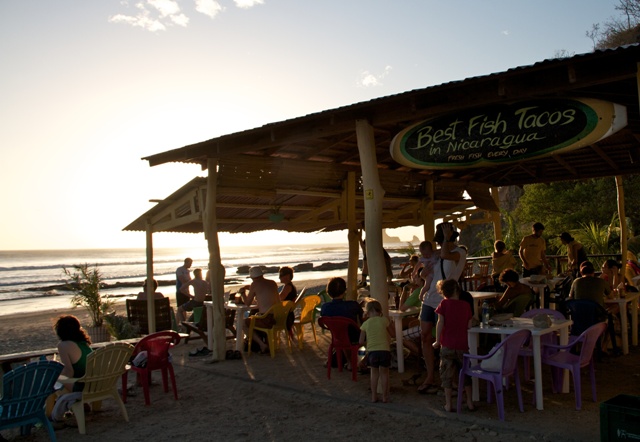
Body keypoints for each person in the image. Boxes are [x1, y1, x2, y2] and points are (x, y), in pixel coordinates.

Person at [418, 222, 467, 394]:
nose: (439, 244)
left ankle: (450, 379)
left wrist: (447, 239)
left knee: (448, 339)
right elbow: (426, 271)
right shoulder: (439, 252)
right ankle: (431, 375)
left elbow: (446, 254)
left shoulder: (459, 252)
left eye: (442, 239)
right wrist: (423, 275)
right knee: (425, 335)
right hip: (429, 298)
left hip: (448, 299)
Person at [432, 279, 475, 413]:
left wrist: (437, 340)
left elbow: (440, 323)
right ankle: (469, 402)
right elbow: (469, 325)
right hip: (462, 345)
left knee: (447, 375)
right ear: (457, 290)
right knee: (466, 374)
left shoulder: (444, 304)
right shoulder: (466, 305)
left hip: (447, 344)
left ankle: (449, 404)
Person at [50, 316, 93, 423]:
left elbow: (69, 372)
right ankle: (83, 405)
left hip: (83, 386)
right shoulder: (83, 343)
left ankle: (50, 415)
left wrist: (56, 377)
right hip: (94, 383)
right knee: (60, 380)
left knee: (53, 382)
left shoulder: (63, 345)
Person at [240, 266, 280, 354]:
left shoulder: (254, 285)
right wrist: (250, 288)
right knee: (255, 317)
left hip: (266, 319)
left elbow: (247, 303)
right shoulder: (272, 283)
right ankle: (264, 343)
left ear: (252, 277)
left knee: (243, 323)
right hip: (278, 317)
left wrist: (242, 293)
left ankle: (262, 344)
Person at [359, 300, 391, 403]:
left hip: (372, 351)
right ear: (380, 310)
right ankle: (385, 397)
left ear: (367, 312)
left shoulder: (365, 324)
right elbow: (393, 334)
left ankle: (373, 396)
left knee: (374, 374)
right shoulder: (384, 320)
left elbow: (360, 341)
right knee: (384, 374)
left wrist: (368, 344)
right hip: (385, 350)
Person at [320, 277, 363, 343]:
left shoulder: (325, 307)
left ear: (328, 292)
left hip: (336, 338)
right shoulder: (353, 305)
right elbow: (362, 318)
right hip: (354, 338)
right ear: (344, 291)